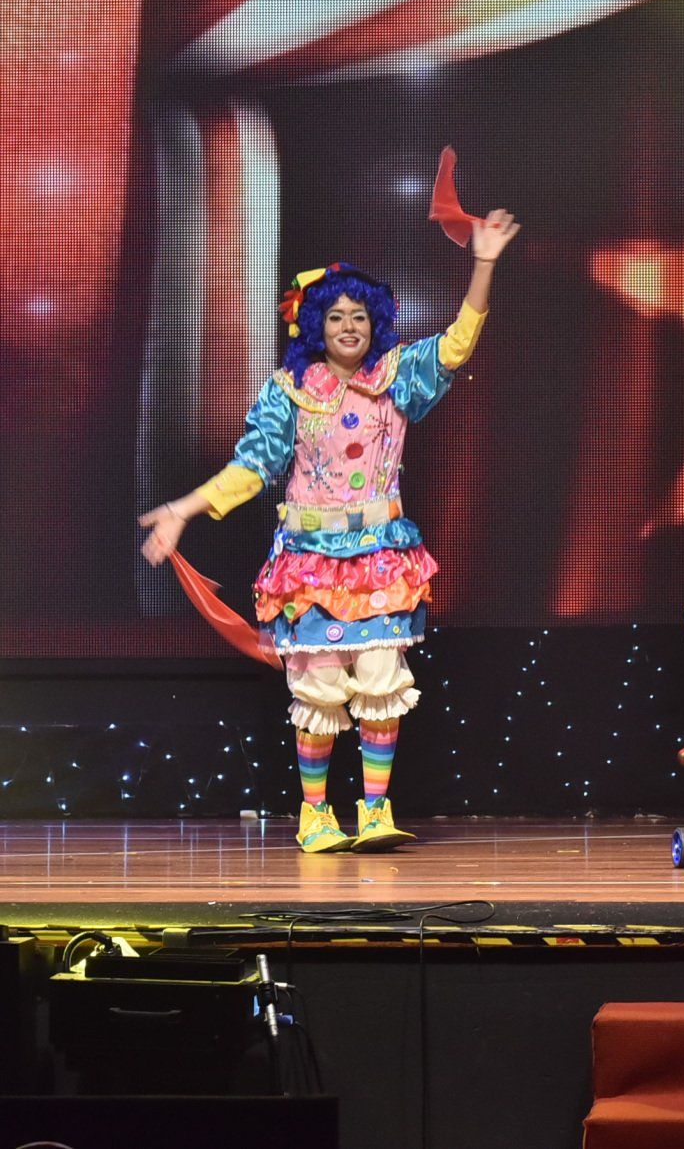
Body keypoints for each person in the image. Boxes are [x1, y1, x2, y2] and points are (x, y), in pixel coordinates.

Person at [138, 210, 521, 852]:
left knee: (378, 682)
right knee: (317, 690)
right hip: (309, 562)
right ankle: (316, 813)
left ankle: (375, 809)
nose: (349, 327)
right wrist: (184, 507)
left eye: (360, 317)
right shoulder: (290, 391)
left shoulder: (398, 377)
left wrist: (483, 262)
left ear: (376, 325)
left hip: (379, 556)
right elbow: (252, 466)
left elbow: (457, 343)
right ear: (315, 325)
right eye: (336, 317)